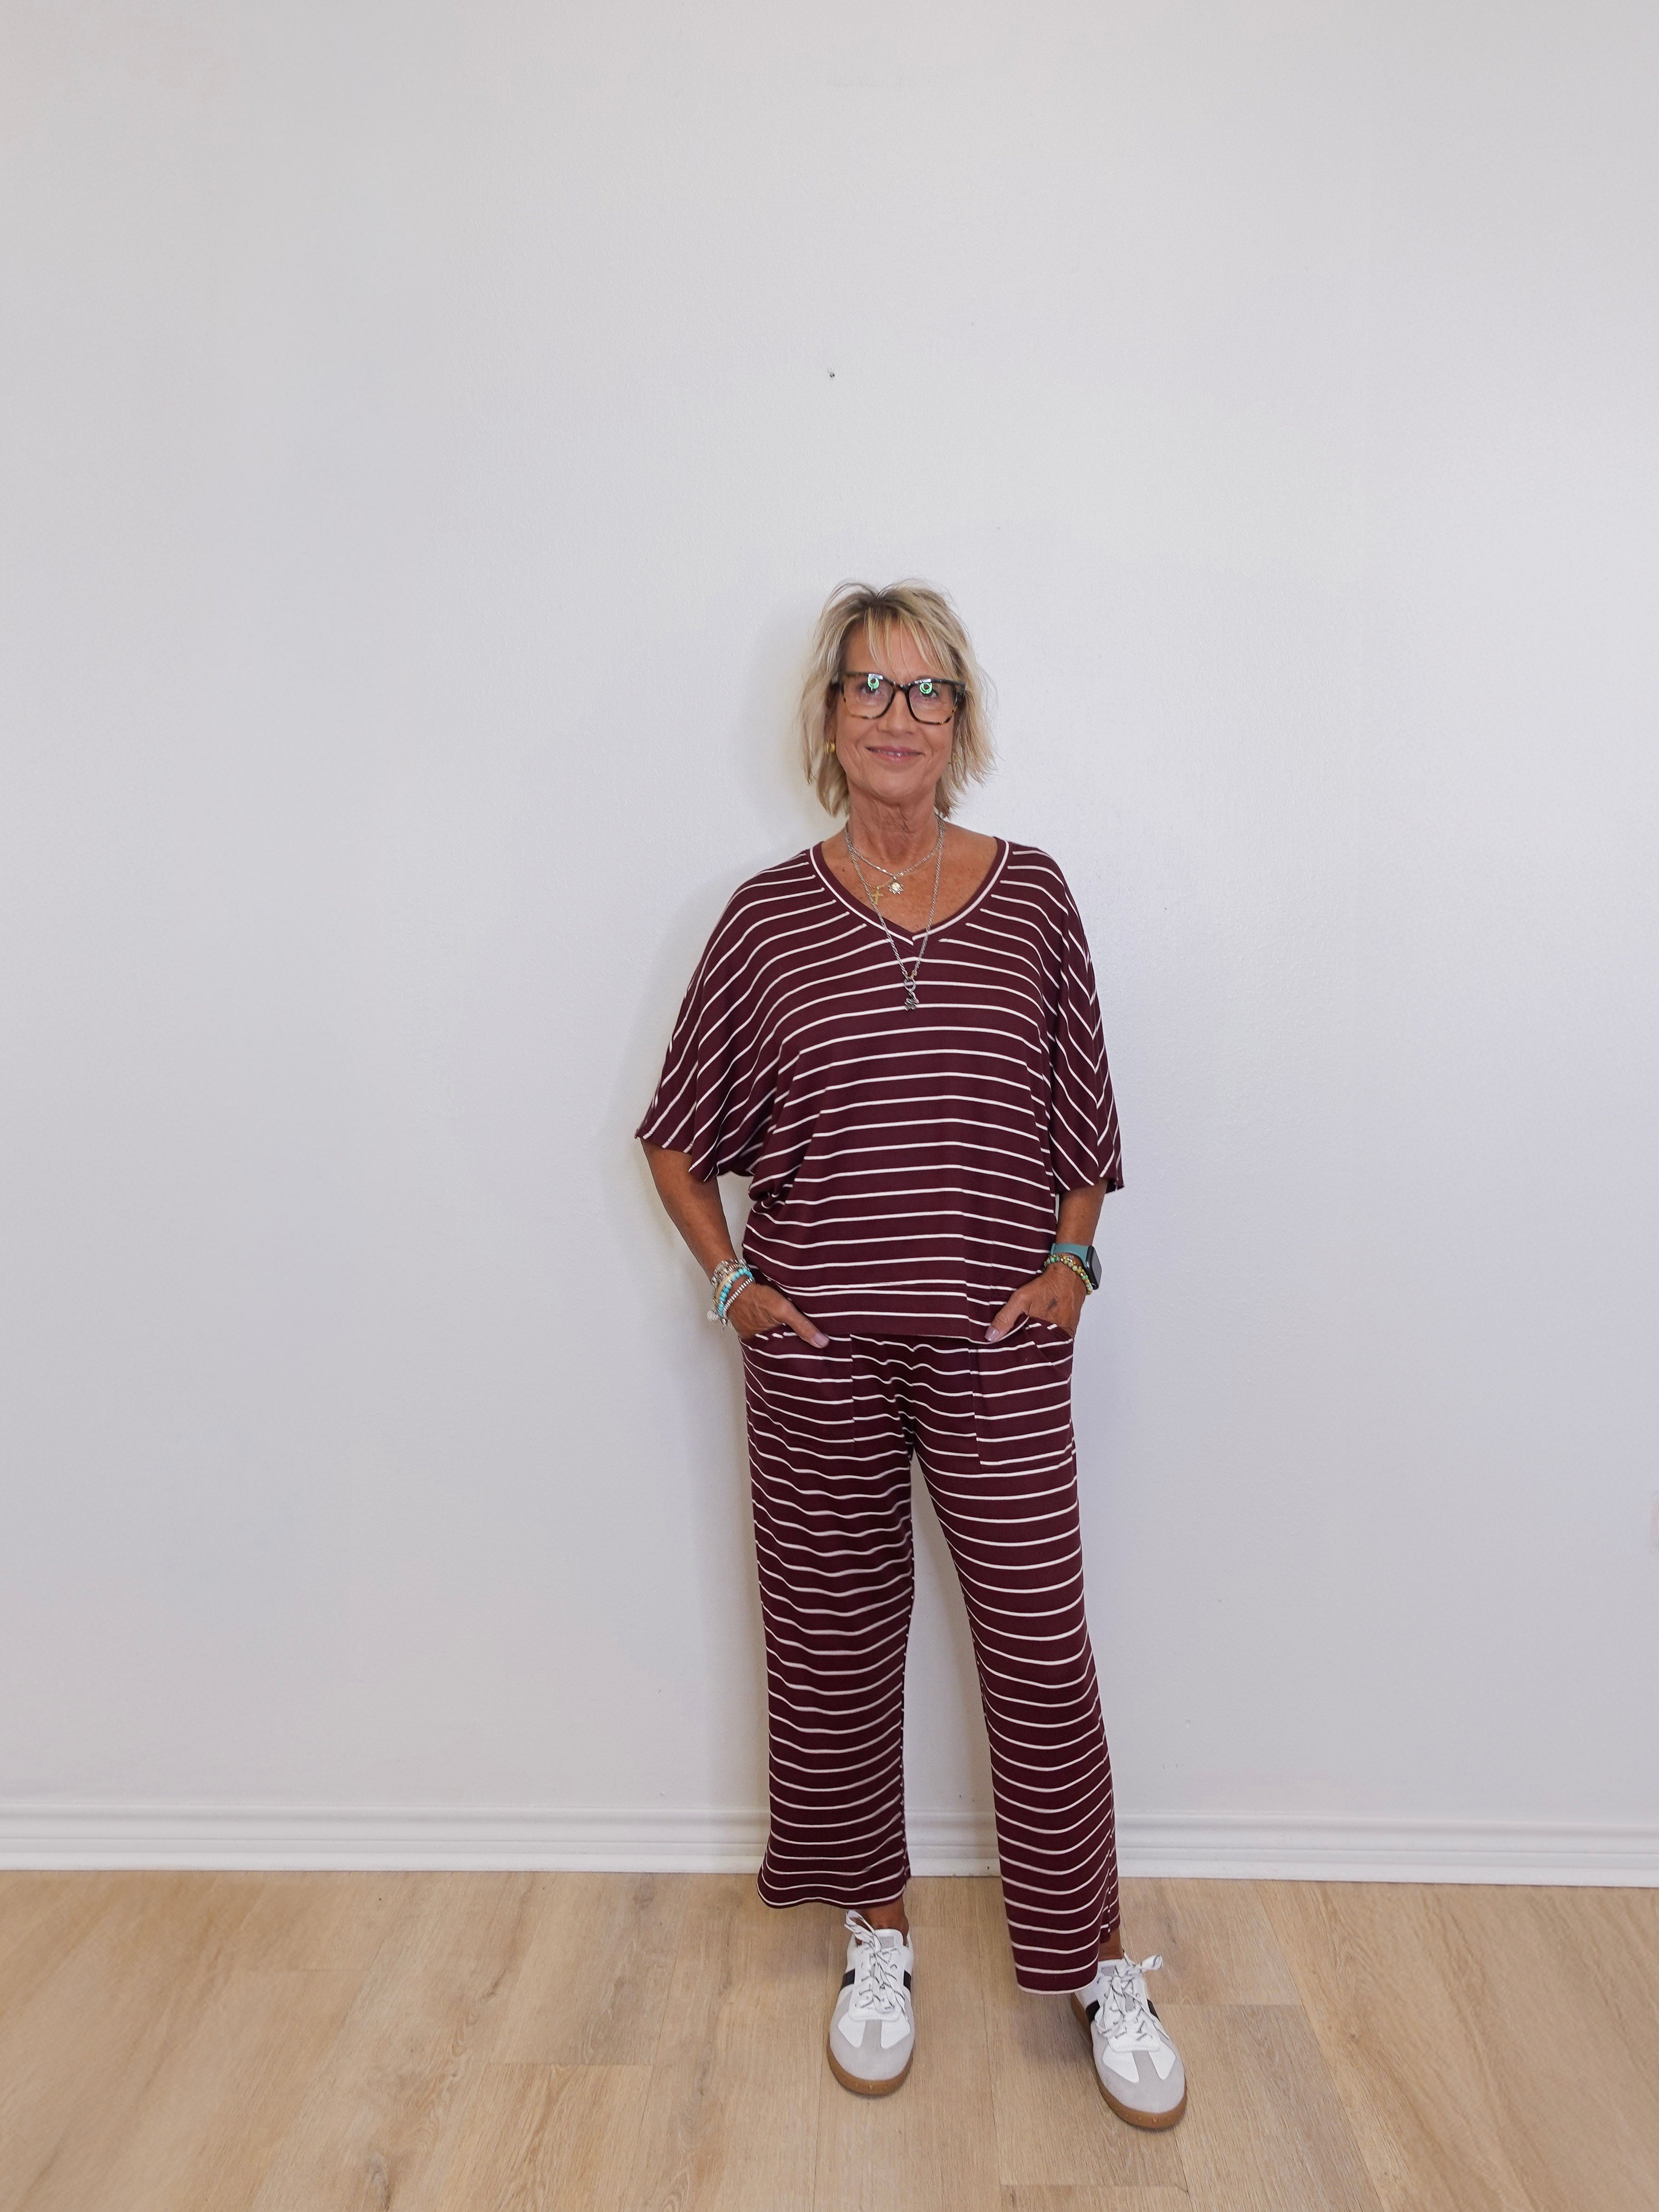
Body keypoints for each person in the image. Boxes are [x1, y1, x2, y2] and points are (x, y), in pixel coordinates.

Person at [637, 580, 1186, 2129]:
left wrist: (1073, 1257)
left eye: (926, 690)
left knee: (1035, 1645)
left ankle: (1095, 1958)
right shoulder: (760, 918)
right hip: (813, 1347)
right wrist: (735, 1284)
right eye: (868, 688)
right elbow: (677, 1142)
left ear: (962, 720)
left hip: (997, 1339)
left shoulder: (1031, 895)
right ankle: (876, 1934)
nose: (896, 714)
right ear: (826, 721)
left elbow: (1085, 1110)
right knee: (828, 1640)